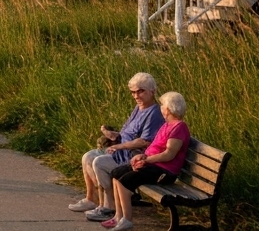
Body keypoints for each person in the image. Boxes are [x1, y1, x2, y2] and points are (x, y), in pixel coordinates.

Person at [71, 73, 165, 222]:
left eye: (140, 91)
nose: (136, 95)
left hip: (132, 157)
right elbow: (127, 133)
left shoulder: (154, 113)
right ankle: (92, 198)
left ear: (152, 91)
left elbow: (144, 142)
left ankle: (109, 206)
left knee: (99, 163)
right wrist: (112, 135)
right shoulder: (139, 107)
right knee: (87, 157)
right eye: (133, 92)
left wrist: (120, 146)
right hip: (121, 151)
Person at [102, 91, 190, 231]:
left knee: (125, 181)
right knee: (116, 173)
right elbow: (154, 147)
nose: (160, 107)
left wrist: (146, 160)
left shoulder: (179, 127)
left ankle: (127, 219)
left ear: (167, 109)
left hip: (164, 171)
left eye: (162, 105)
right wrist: (141, 157)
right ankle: (118, 216)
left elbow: (169, 155)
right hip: (153, 165)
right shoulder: (167, 125)